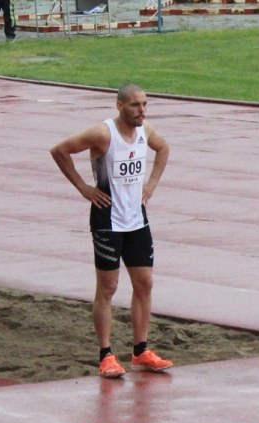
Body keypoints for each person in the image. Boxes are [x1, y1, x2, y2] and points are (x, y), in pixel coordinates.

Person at [50, 83, 173, 378]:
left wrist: (152, 184)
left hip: (137, 220)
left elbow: (164, 148)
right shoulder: (102, 134)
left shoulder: (146, 131)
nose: (141, 110)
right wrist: (83, 188)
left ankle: (141, 351)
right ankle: (106, 355)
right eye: (135, 105)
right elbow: (59, 150)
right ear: (119, 106)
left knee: (144, 284)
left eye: (145, 104)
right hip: (108, 221)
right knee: (108, 288)